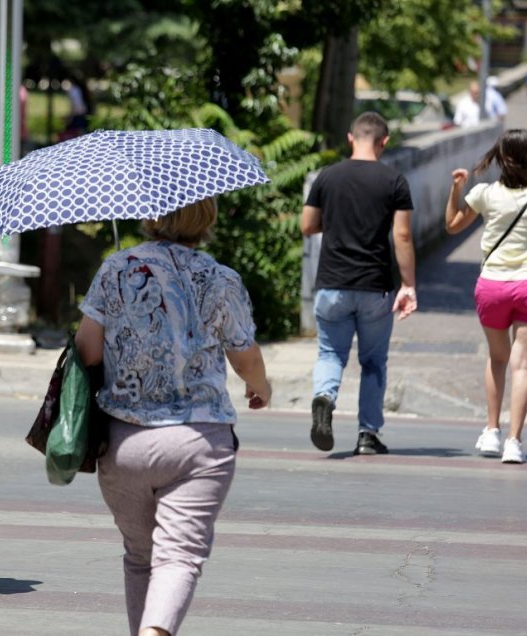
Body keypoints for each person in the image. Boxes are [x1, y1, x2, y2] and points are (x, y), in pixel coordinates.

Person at [74, 197, 272, 636]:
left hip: (124, 441)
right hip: (199, 442)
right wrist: (261, 387)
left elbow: (87, 349)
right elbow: (244, 356)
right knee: (178, 557)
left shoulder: (115, 268)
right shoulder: (221, 278)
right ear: (206, 218)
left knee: (140, 558)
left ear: (151, 214)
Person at [445, 129, 527, 464]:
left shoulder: (485, 194)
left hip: (492, 287)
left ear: (500, 158)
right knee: (523, 364)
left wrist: (456, 190)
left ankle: (491, 431)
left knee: (497, 358)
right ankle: (514, 442)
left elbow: (452, 226)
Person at [301, 112, 417, 456]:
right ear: (384, 142)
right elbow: (403, 235)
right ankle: (367, 433)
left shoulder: (328, 176)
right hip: (375, 286)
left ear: (351, 138)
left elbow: (307, 225)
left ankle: (324, 397)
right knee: (373, 362)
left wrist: (337, 224)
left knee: (329, 353)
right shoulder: (394, 180)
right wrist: (408, 284)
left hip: (331, 284)